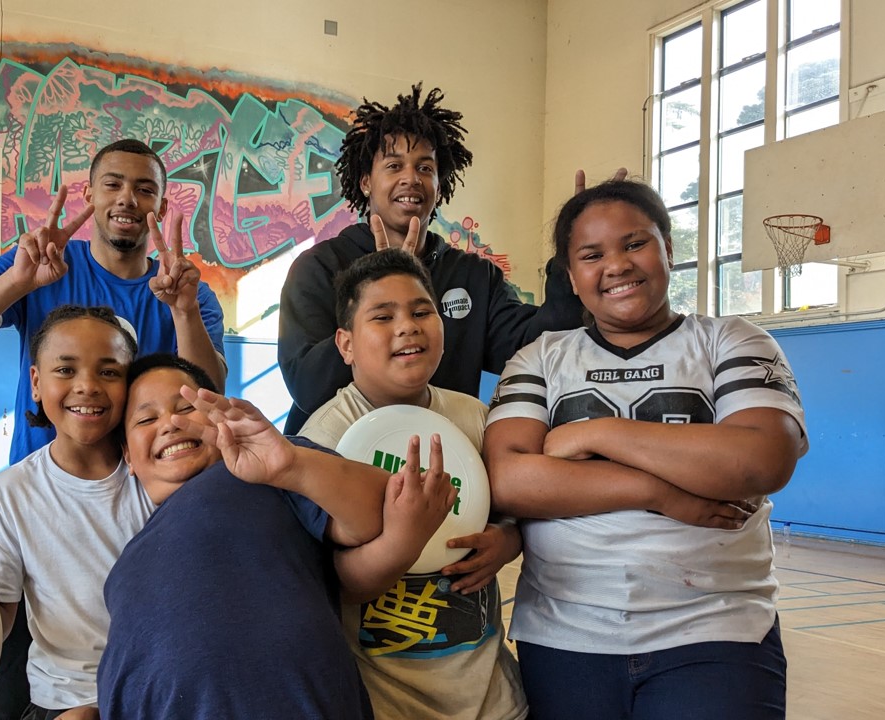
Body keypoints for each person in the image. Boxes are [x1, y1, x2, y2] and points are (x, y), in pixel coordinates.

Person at [484, 179, 808, 719]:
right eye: (592, 255)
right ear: (571, 275)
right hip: (566, 634)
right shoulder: (539, 358)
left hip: (717, 628)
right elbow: (510, 479)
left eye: (635, 244)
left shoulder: (733, 339)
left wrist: (594, 433)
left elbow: (760, 459)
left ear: (668, 249)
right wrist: (661, 492)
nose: (617, 265)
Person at [0, 138, 225, 719]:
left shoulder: (185, 288)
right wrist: (19, 282)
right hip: (43, 521)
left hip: (136, 506)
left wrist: (183, 309)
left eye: (145, 188)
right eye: (112, 183)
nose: (127, 199)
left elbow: (210, 393)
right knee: (16, 681)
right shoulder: (41, 265)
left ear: (160, 207)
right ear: (89, 193)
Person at [95, 354, 455, 719]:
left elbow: (380, 510)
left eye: (187, 407)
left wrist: (290, 466)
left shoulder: (267, 471)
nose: (171, 423)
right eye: (145, 418)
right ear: (128, 456)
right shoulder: (126, 561)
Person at [299, 248, 527, 719]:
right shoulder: (321, 440)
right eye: (383, 316)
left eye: (422, 311)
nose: (408, 326)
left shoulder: (475, 416)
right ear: (345, 344)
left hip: (492, 700)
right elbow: (331, 582)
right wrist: (403, 538)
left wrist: (506, 540)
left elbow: (519, 511)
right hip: (388, 705)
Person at [278, 83, 584, 434]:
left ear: (440, 184)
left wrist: (574, 259)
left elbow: (532, 349)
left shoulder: (474, 275)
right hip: (340, 457)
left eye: (425, 168)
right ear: (366, 182)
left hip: (442, 459)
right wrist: (385, 282)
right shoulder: (318, 267)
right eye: (394, 166)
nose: (411, 178)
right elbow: (308, 386)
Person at [0, 305, 146, 720]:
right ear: (35, 382)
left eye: (109, 372)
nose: (87, 386)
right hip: (66, 699)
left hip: (155, 689)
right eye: (65, 370)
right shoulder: (10, 493)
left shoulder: (155, 478)